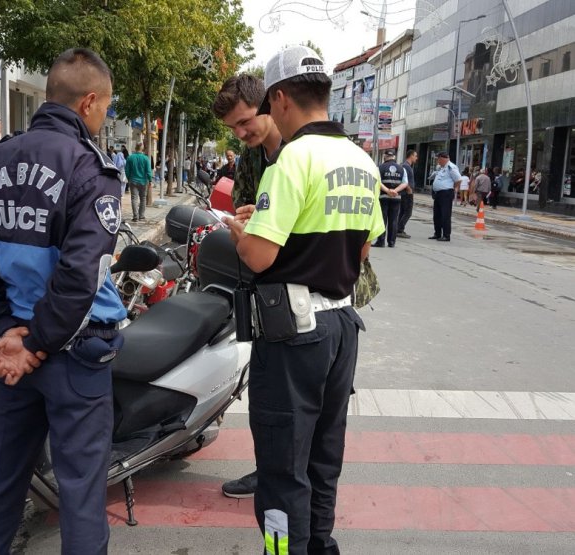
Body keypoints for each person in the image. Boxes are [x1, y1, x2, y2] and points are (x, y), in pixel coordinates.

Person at [0, 48, 126, 555]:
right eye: (106, 106)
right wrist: (36, 343)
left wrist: (6, 332)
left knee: (3, 474)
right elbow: (79, 277)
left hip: (15, 349)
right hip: (71, 351)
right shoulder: (91, 172)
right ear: (89, 102)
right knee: (81, 491)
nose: (104, 116)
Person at [222, 45, 384, 554]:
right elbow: (361, 248)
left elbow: (258, 257)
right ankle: (319, 546)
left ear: (280, 98)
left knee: (280, 469)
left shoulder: (291, 160)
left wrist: (238, 229)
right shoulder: (362, 160)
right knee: (322, 457)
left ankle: (280, 552)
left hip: (294, 336)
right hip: (342, 328)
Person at [212, 72, 284, 499]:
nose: (241, 133)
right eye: (233, 129)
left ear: (271, 106)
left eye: (245, 122)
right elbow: (247, 205)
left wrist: (267, 214)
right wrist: (248, 215)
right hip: (268, 286)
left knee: (301, 403)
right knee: (266, 391)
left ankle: (291, 487)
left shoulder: (301, 152)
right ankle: (270, 472)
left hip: (309, 294)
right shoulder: (251, 156)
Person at [373, 150, 407, 248]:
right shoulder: (401, 168)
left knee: (382, 219)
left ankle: (381, 241)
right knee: (393, 220)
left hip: (383, 197)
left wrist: (388, 191)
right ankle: (392, 242)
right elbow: (405, 183)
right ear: (394, 157)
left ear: (385, 156)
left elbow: (377, 181)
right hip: (396, 197)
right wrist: (395, 191)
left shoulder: (379, 168)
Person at [429, 152, 461, 242]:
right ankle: (437, 233)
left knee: (445, 215)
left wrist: (454, 188)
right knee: (437, 215)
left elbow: (458, 179)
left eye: (438, 159)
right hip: (438, 193)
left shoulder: (451, 167)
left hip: (446, 193)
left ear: (442, 158)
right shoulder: (441, 168)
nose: (437, 161)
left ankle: (446, 235)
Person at [125, 142, 153, 221]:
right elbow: (148, 171)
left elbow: (127, 170)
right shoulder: (146, 158)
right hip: (143, 182)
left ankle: (135, 216)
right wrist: (150, 180)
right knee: (143, 198)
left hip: (133, 181)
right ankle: (141, 216)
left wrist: (129, 178)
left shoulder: (130, 158)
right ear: (142, 148)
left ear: (135, 148)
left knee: (134, 198)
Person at [397, 149, 417, 239]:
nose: (416, 158)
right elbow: (404, 179)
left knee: (402, 211)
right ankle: (399, 229)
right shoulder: (406, 166)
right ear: (411, 156)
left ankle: (398, 229)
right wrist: (409, 189)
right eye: (415, 156)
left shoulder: (407, 166)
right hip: (406, 192)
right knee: (408, 212)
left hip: (405, 192)